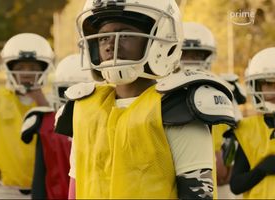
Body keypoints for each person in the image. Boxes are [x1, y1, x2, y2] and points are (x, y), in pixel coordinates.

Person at [54, 0, 236, 198]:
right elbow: (76, 189)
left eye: (124, 34)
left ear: (161, 38)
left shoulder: (178, 109)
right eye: (103, 37)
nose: (110, 45)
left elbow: (198, 194)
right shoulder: (85, 109)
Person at [0, 33, 54, 199]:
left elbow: (58, 139)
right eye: (20, 68)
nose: (27, 73)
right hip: (4, 189)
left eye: (33, 68)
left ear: (44, 69)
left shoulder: (52, 102)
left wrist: (40, 100)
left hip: (45, 187)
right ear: (8, 68)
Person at [181, 21, 246, 199]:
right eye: (185, 53)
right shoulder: (160, 89)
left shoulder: (225, 88)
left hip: (221, 174)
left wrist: (227, 160)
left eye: (197, 55)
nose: (190, 60)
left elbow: (237, 133)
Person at [20, 53, 94, 199]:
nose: (73, 97)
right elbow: (40, 176)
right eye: (65, 90)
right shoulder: (44, 121)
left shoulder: (107, 122)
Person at [230, 47, 275, 198]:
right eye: (268, 84)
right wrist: (262, 169)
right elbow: (236, 185)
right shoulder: (247, 129)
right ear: (257, 86)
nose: (273, 91)